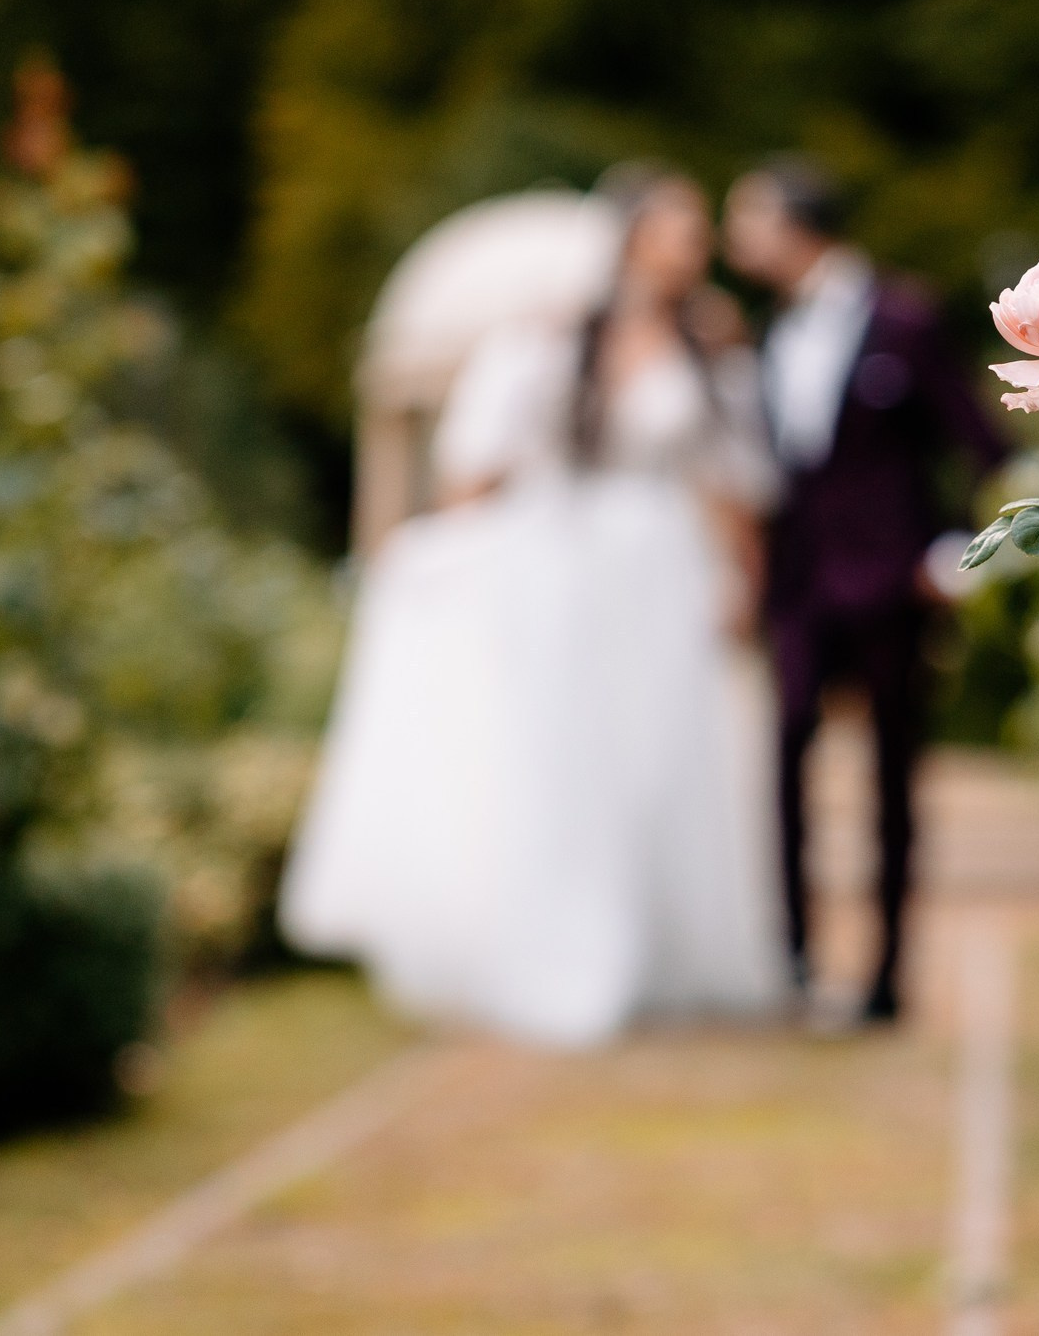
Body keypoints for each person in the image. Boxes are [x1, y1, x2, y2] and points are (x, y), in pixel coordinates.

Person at [279, 165, 785, 1047]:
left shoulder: (707, 346)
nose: (694, 245)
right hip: (567, 573)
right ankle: (570, 949)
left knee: (665, 754)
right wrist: (457, 554)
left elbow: (733, 480)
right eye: (677, 227)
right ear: (628, 237)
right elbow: (475, 467)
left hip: (664, 569)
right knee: (575, 758)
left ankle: (665, 953)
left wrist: (740, 575)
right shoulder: (547, 343)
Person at [723, 158, 1005, 1023]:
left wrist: (956, 550)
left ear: (797, 226)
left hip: (891, 588)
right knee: (784, 767)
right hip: (801, 591)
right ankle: (798, 963)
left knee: (893, 776)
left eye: (749, 221)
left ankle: (887, 977)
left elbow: (982, 444)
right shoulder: (767, 333)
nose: (737, 242)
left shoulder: (904, 319)